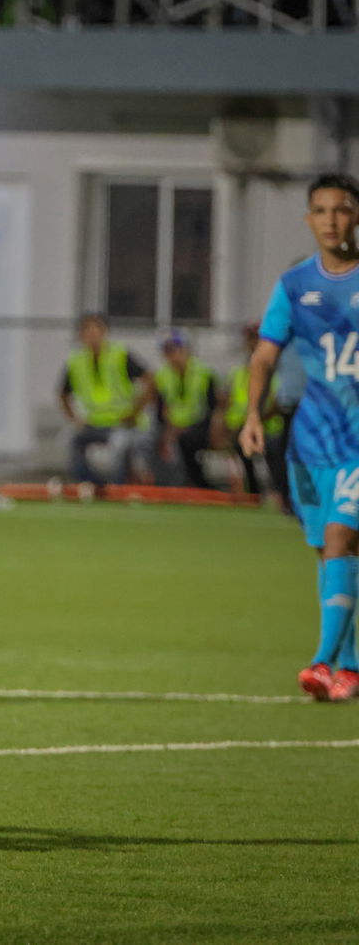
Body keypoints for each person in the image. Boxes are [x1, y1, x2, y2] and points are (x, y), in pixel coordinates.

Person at [240, 172, 359, 703]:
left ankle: (320, 662)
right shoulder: (293, 287)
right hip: (311, 443)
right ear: (309, 219)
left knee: (340, 540)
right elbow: (265, 354)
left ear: (355, 216)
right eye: (322, 211)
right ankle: (351, 669)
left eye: (342, 209)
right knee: (326, 552)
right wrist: (250, 416)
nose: (332, 220)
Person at [59, 313, 151, 488]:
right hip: (93, 422)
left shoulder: (120, 355)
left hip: (121, 422)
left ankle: (117, 486)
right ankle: (92, 484)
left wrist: (135, 411)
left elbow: (149, 379)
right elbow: (63, 393)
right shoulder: (76, 361)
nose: (92, 335)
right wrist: (74, 418)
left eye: (96, 330)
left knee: (118, 446)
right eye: (87, 331)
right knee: (69, 442)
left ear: (105, 332)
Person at [223, 323, 288, 505]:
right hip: (244, 425)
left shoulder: (279, 369)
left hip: (272, 426)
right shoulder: (239, 372)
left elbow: (280, 401)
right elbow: (227, 401)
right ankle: (253, 493)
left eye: (257, 338)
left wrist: (257, 420)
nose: (253, 343)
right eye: (250, 338)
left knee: (275, 448)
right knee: (240, 444)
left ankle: (281, 494)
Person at [150, 330, 218, 490]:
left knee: (186, 440)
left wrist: (185, 427)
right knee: (148, 439)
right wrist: (169, 428)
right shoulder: (162, 375)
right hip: (173, 425)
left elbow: (211, 408)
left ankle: (195, 483)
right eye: (167, 351)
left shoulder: (204, 373)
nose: (172, 355)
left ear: (186, 350)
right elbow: (161, 410)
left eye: (175, 349)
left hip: (200, 424)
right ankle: (164, 484)